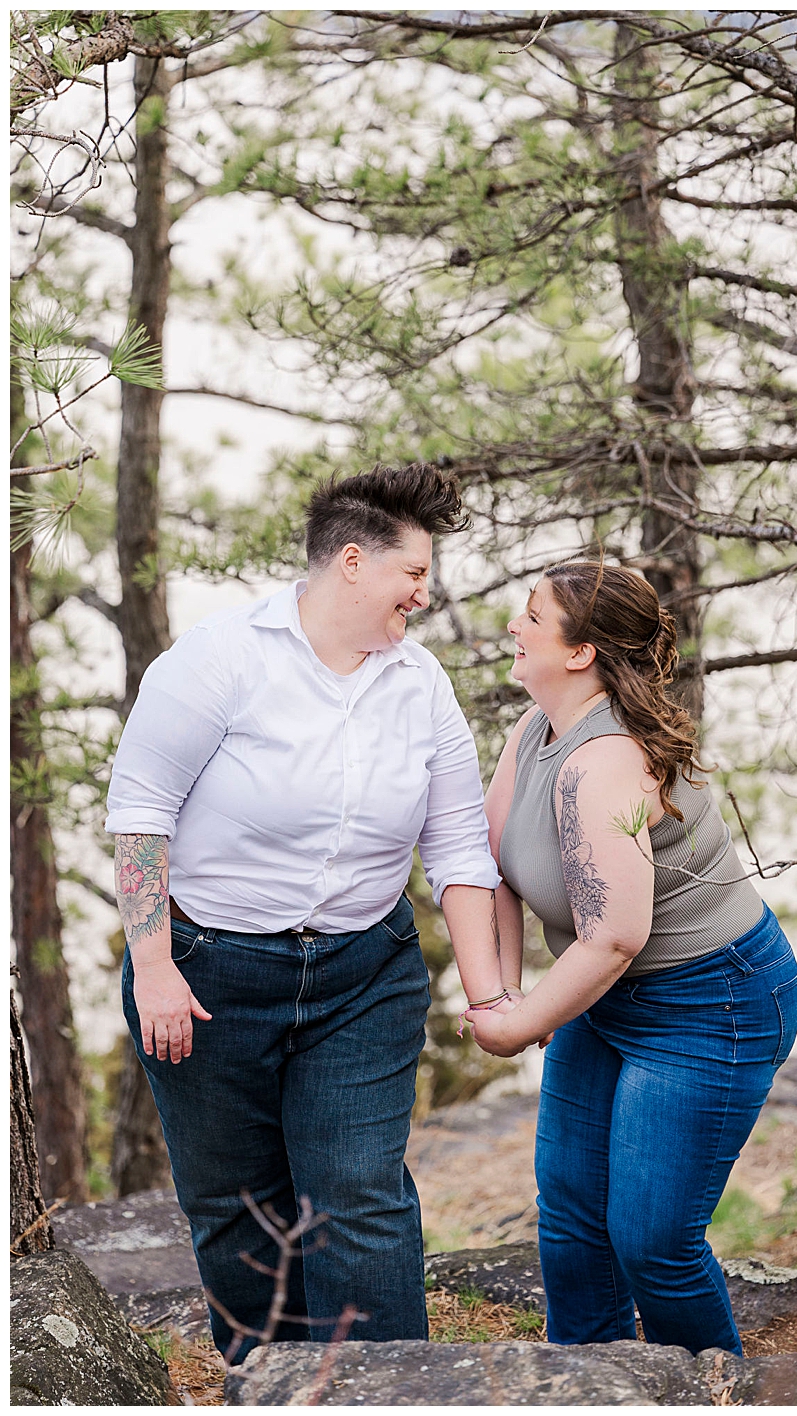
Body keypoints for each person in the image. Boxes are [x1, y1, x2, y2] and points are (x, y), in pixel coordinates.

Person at [105, 464, 501, 1356]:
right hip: (208, 974)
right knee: (235, 1211)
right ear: (352, 562)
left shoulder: (420, 683)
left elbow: (458, 848)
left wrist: (487, 999)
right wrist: (156, 967)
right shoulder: (220, 659)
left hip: (362, 976)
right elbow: (139, 815)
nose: (424, 594)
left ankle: (386, 1395)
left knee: (359, 1196)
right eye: (414, 574)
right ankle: (273, 1387)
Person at [464, 563, 797, 1354]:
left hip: (712, 1000)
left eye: (532, 615)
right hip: (607, 992)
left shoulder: (604, 761)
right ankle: (592, 1388)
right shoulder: (534, 728)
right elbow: (493, 867)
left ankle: (714, 1395)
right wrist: (509, 995)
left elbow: (615, 936)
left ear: (580, 652)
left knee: (653, 1241)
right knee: (574, 1212)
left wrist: (522, 1028)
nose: (513, 625)